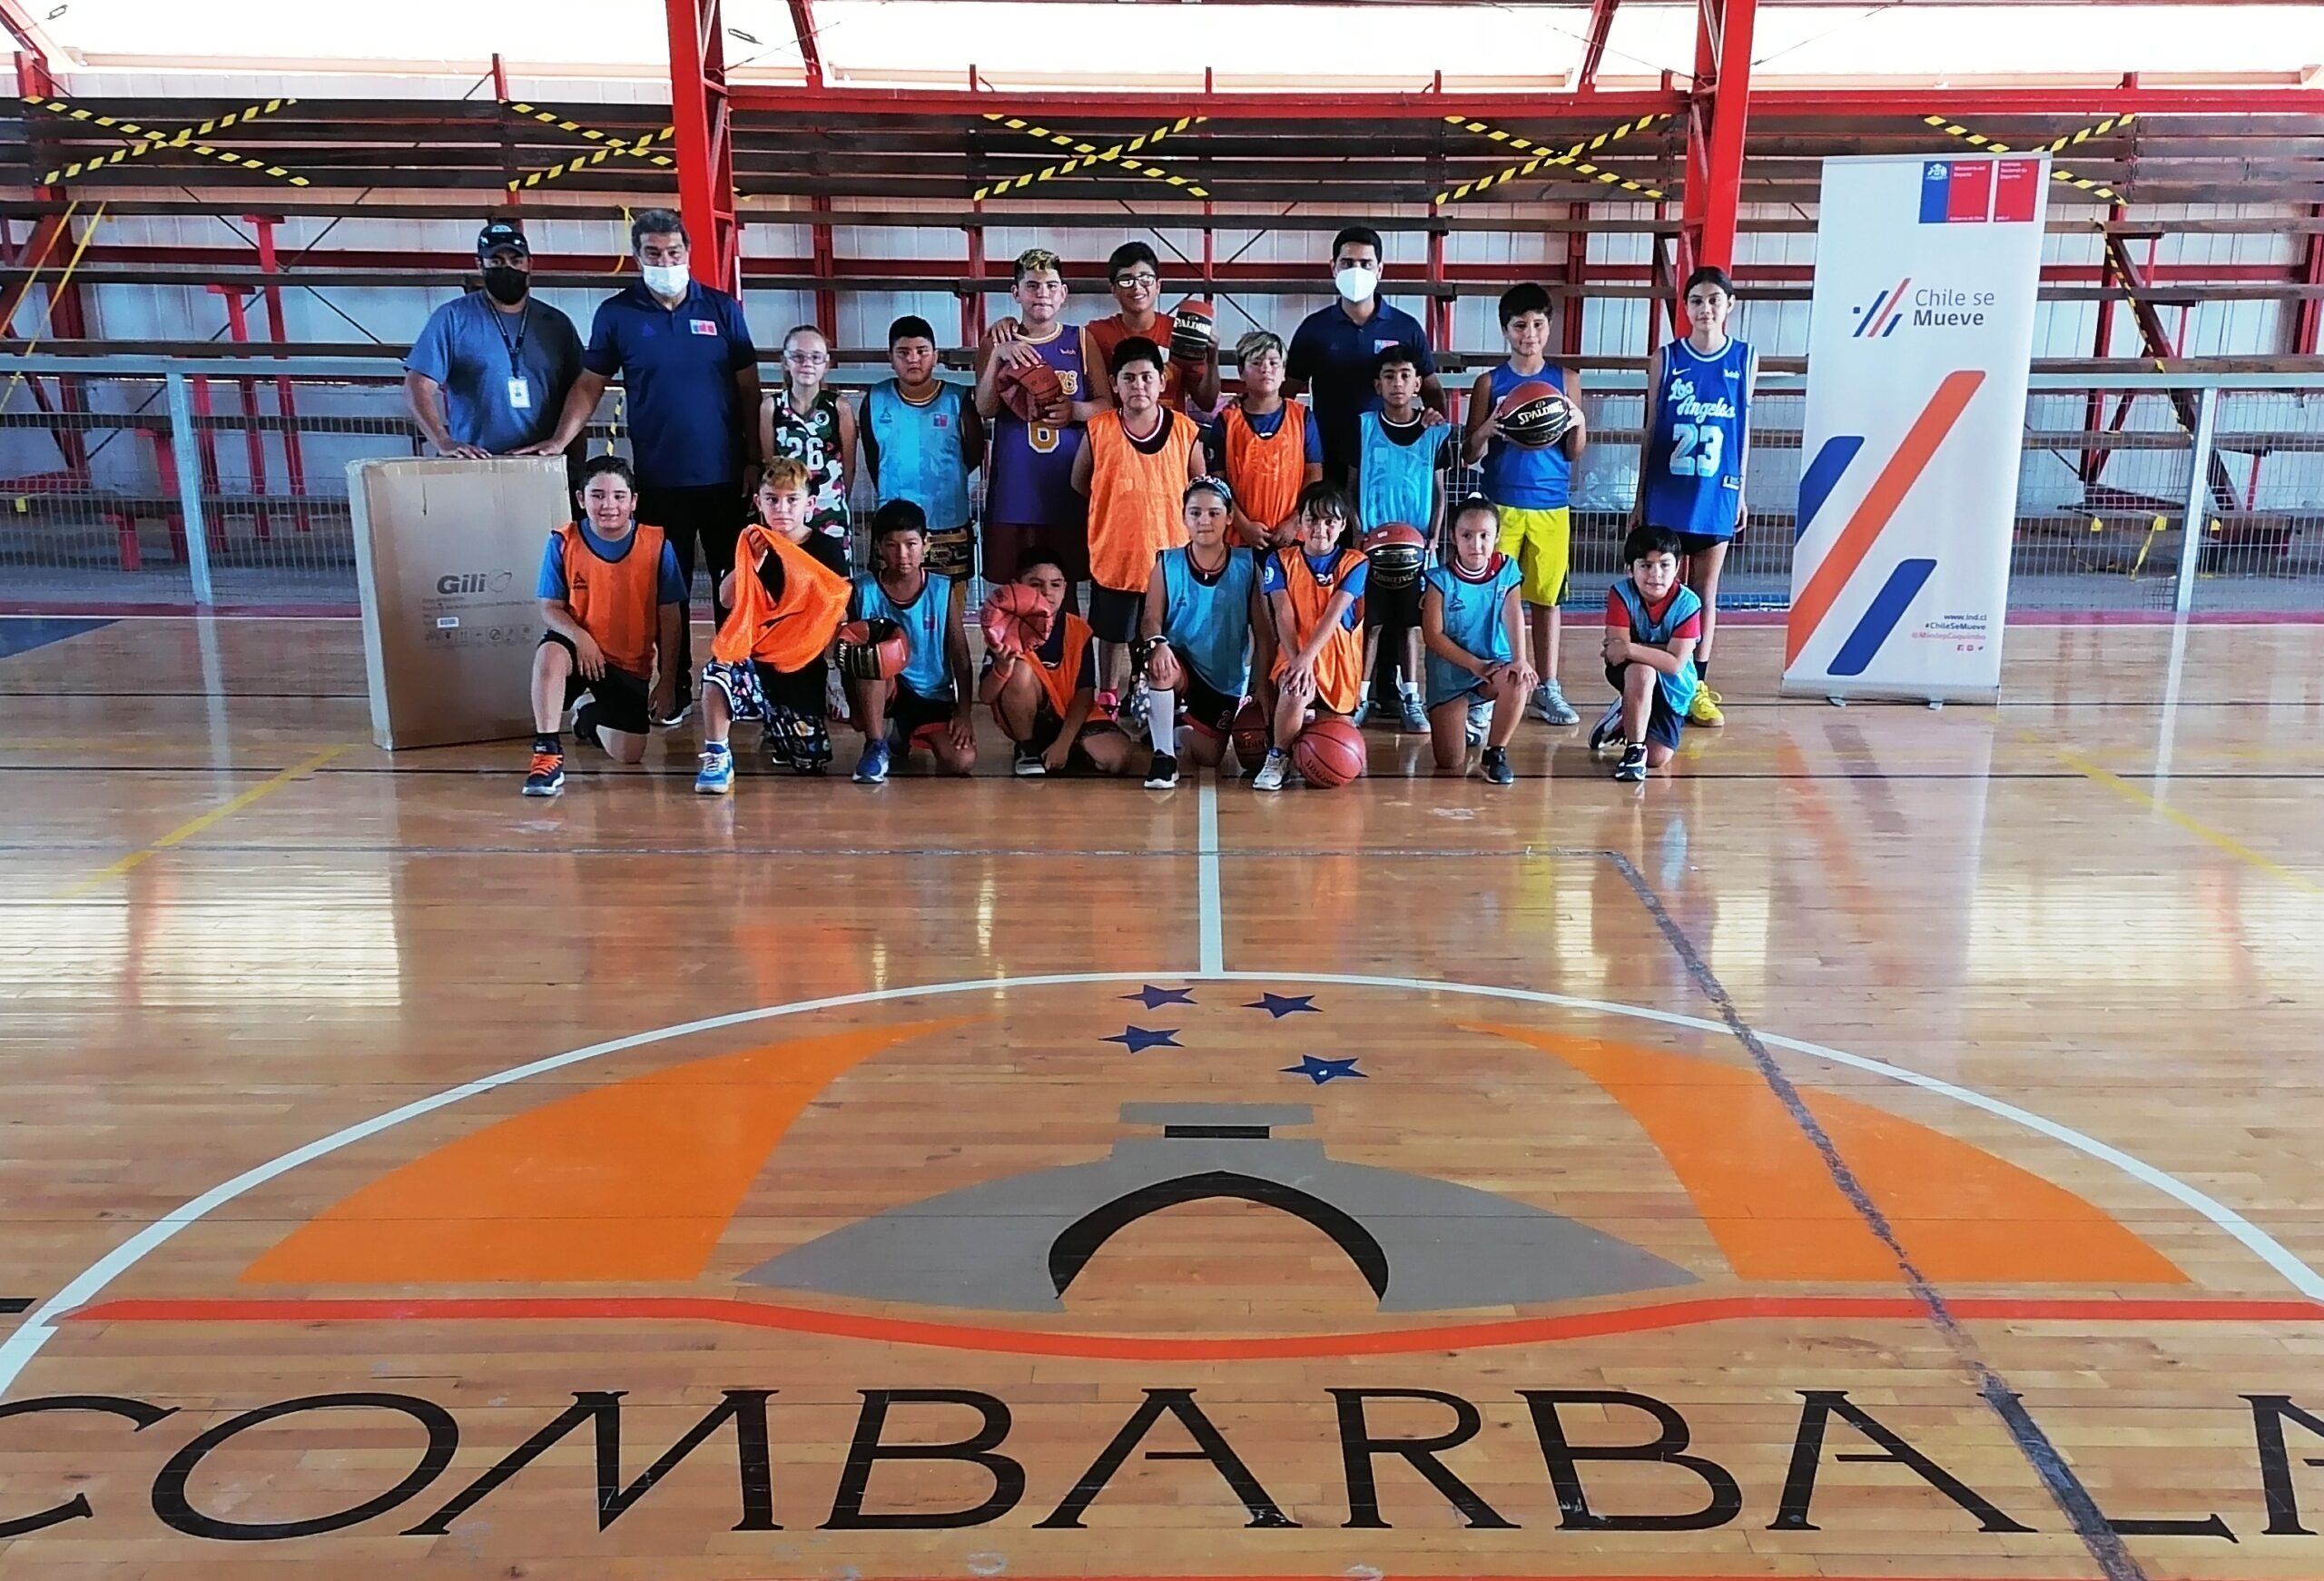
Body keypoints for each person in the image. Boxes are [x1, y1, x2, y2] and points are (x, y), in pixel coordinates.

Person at [520, 210, 759, 724]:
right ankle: (672, 687)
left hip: (724, 479)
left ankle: (736, 686)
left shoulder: (722, 309)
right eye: (653, 253)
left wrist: (754, 460)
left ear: (688, 253)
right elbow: (590, 383)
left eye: (674, 253)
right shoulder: (616, 314)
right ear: (638, 256)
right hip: (658, 481)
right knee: (663, 597)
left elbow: (748, 390)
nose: (665, 261)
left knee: (733, 590)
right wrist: (561, 438)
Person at [1632, 265, 1755, 728]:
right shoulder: (1666, 358)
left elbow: (1742, 432)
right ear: (1684, 308)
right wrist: (1640, 496)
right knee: (1659, 588)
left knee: (1705, 590)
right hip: (1668, 490)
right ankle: (1653, 675)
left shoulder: (1745, 358)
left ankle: (1695, 682)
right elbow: (1650, 429)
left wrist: (1740, 489)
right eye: (1697, 301)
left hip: (1716, 490)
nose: (1706, 309)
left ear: (1729, 305)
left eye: (1714, 300)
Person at [522, 456, 685, 796]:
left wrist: (667, 681)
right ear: (581, 499)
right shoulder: (562, 542)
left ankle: (587, 714)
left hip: (628, 662)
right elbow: (549, 608)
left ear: (633, 502)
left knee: (630, 754)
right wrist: (581, 637)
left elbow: (670, 620)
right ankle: (547, 754)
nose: (608, 505)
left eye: (618, 496)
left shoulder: (657, 546)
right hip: (578, 649)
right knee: (550, 654)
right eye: (597, 495)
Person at [1463, 282, 1587, 727]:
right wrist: (1488, 429)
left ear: (1548, 328)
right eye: (1519, 326)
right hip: (1501, 505)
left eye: (1537, 324)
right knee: (1494, 599)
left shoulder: (1566, 380)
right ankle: (1488, 688)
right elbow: (1468, 453)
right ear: (1505, 330)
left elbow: (1573, 452)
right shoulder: (1490, 382)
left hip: (1552, 506)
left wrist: (1579, 421)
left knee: (1546, 601)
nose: (1529, 333)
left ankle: (1547, 686)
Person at [694, 458, 852, 795]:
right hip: (755, 659)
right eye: (772, 499)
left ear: (809, 505)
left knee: (811, 762)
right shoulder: (750, 541)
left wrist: (837, 676)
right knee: (717, 674)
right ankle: (717, 755)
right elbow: (725, 599)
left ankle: (780, 725)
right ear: (758, 502)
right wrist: (753, 563)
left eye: (792, 500)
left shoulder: (826, 549)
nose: (782, 509)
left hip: (801, 665)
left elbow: (837, 613)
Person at [1070, 336, 1206, 699]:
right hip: (1116, 553)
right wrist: (1115, 504)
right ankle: (1108, 696)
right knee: (1112, 634)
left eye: (1147, 377)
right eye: (1129, 378)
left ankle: (1158, 696)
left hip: (1170, 556)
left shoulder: (1184, 431)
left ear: (1163, 382)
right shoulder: (1099, 429)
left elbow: (1199, 489)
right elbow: (1080, 481)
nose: (1138, 386)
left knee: (1164, 634)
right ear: (1114, 384)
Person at [405, 221, 584, 463]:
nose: (507, 267)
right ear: (480, 264)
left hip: (543, 463)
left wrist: (571, 455)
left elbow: (579, 392)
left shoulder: (556, 324)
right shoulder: (452, 318)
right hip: (477, 463)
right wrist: (443, 441)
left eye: (515, 261)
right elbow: (418, 384)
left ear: (530, 264)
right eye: (496, 261)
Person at [975, 248, 1096, 596]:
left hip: (1066, 485)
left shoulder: (1081, 340)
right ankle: (1010, 653)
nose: (1041, 293)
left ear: (1063, 293)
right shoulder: (996, 340)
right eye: (1032, 285)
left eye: (1050, 285)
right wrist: (997, 357)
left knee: (1063, 590)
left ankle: (1069, 654)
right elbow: (985, 408)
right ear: (1016, 293)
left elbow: (1105, 406)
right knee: (1012, 592)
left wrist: (1075, 411)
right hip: (1015, 488)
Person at [1285, 225, 1445, 487]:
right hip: (1328, 455)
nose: (1356, 271)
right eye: (1347, 263)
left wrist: (1433, 429)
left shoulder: (1407, 328)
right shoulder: (1313, 329)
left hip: (1391, 457)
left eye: (1365, 263)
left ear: (1379, 269)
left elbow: (1432, 390)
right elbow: (1285, 394)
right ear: (1333, 267)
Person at [1352, 344, 1454, 735]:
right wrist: (1359, 530)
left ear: (1417, 383)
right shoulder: (1362, 427)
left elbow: (1440, 490)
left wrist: (1434, 537)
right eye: (1390, 376)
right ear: (1378, 384)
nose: (1398, 382)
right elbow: (1350, 484)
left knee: (1409, 626)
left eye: (1406, 375)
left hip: (1415, 548)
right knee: (1371, 625)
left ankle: (1411, 697)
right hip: (1373, 546)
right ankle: (1360, 698)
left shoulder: (1434, 432)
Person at [1135, 476, 1261, 789]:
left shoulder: (1247, 565)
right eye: (1195, 513)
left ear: (1229, 517)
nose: (1204, 520)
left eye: (1213, 513)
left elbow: (1265, 633)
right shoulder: (1168, 562)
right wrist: (1158, 643)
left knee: (1209, 757)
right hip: (1179, 662)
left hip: (1223, 678)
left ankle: (1168, 723)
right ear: (1183, 517)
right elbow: (1150, 619)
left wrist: (1259, 688)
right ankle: (1163, 758)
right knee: (1159, 664)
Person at [847, 499, 976, 785]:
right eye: (892, 545)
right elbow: (848, 651)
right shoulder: (861, 590)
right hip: (886, 689)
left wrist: (964, 711)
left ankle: (901, 733)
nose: (902, 554)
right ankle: (876, 744)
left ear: (926, 543)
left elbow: (961, 657)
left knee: (962, 761)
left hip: (932, 694)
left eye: (911, 544)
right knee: (873, 660)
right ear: (879, 547)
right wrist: (852, 704)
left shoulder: (942, 590)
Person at [1252, 482, 1366, 793]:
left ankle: (1307, 732)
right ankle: (1277, 757)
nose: (1320, 528)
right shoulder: (1280, 560)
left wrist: (1306, 660)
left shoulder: (1356, 562)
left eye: (1330, 521)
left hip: (1337, 665)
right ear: (1300, 523)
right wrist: (1296, 661)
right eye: (1312, 520)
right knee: (1293, 688)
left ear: (1342, 525)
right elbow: (1283, 614)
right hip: (1293, 654)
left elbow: (1333, 614)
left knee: (1338, 745)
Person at [980, 550, 1134, 778]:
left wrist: (1064, 742)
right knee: (1020, 670)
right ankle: (1027, 747)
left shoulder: (1078, 629)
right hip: (1031, 716)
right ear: (1017, 586)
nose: (1047, 593)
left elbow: (1084, 694)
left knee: (1117, 759)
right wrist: (1003, 666)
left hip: (1072, 715)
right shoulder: (1004, 628)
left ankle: (1061, 749)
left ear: (1065, 588)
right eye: (1035, 584)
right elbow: (984, 696)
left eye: (1055, 585)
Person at [860, 314, 983, 583]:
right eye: (903, 352)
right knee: (893, 607)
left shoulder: (958, 399)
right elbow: (873, 458)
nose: (913, 359)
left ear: (935, 355)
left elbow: (973, 455)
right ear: (890, 357)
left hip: (947, 523)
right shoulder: (875, 399)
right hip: (894, 525)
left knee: (948, 610)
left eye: (921, 351)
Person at [1420, 496, 1531, 786]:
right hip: (1453, 673)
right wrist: (1475, 665)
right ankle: (1466, 715)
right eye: (1467, 536)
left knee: (1519, 679)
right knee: (1449, 761)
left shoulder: (1507, 570)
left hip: (1494, 664)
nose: (1476, 544)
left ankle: (1495, 753)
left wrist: (1520, 659)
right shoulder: (1439, 580)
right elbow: (1433, 636)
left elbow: (1513, 612)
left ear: (1497, 537)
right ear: (1454, 537)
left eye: (1484, 536)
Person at [1591, 522, 1703, 785]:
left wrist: (1632, 647)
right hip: (1634, 671)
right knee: (1642, 671)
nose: (1656, 574)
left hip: (1675, 685)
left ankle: (1625, 716)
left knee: (1659, 758)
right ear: (1630, 569)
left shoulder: (1688, 604)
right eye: (1645, 565)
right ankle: (1633, 751)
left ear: (1678, 567)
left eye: (1665, 565)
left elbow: (1675, 664)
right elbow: (1614, 654)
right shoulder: (1621, 593)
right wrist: (1658, 652)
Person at [1207, 329, 1320, 550]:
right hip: (1238, 540)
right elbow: (1217, 483)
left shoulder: (1303, 417)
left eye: (1273, 363)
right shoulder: (1226, 421)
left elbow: (1314, 477)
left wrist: (1294, 522)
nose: (1266, 369)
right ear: (1241, 371)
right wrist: (1242, 525)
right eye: (1256, 362)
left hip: (1292, 538)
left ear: (1284, 371)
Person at [1080, 241, 1220, 413]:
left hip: (1171, 435)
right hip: (1116, 435)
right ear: (1113, 289)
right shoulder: (1095, 334)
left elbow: (1207, 403)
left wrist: (1212, 358)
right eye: (1126, 280)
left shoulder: (1179, 331)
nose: (1137, 287)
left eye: (1145, 278)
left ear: (1158, 286)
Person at [761, 323, 855, 561]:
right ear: (785, 361)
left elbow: (849, 467)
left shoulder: (839, 407)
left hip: (828, 507)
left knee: (833, 581)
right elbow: (769, 466)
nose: (807, 363)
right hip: (788, 512)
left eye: (815, 357)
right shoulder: (771, 407)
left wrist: (834, 498)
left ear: (826, 363)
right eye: (798, 356)